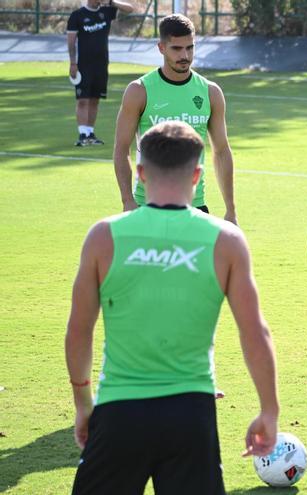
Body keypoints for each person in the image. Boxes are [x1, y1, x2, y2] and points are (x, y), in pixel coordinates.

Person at [66, 121, 280, 494]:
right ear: (197, 174)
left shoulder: (103, 236)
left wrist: (83, 403)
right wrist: (269, 411)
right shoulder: (226, 240)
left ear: (141, 172)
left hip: (119, 412)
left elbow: (79, 330)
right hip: (190, 415)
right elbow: (254, 332)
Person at [114, 14, 237, 224]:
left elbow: (222, 151)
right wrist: (127, 201)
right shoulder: (139, 91)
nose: (185, 56)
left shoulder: (210, 92)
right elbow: (121, 149)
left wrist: (230, 210)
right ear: (161, 47)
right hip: (148, 206)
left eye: (190, 48)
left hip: (195, 207)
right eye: (177, 49)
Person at [67, 0, 134, 147]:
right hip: (83, 65)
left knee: (95, 99)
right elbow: (71, 42)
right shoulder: (77, 15)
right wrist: (73, 63)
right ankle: (82, 134)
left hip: (102, 64)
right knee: (83, 99)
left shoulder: (106, 11)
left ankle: (90, 133)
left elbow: (130, 9)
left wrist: (111, 1)